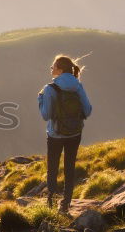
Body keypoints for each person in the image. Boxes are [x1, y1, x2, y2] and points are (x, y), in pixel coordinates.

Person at [38, 54, 92, 213]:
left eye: (53, 66)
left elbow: (45, 115)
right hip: (75, 133)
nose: (51, 69)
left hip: (55, 134)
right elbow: (88, 110)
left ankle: (50, 203)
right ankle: (66, 204)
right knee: (70, 166)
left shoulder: (49, 89)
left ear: (60, 70)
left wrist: (40, 99)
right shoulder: (78, 86)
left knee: (53, 167)